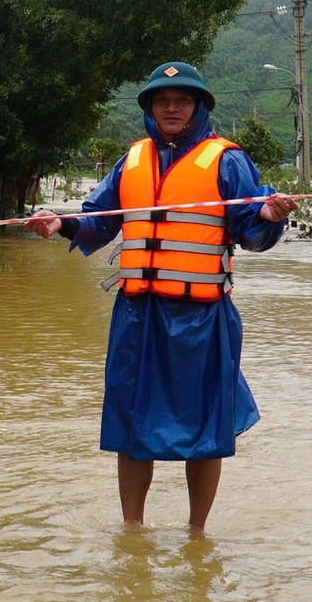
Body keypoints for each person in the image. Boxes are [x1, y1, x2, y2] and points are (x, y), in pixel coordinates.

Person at [31, 62, 297, 530]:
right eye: (162, 100)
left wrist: (271, 215)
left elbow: (251, 232)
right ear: (151, 108)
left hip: (202, 318)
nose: (171, 107)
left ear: (198, 107)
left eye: (182, 100)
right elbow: (99, 218)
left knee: (206, 428)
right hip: (137, 315)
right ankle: (132, 531)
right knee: (130, 425)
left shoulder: (227, 159)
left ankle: (197, 535)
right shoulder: (131, 159)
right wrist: (62, 223)